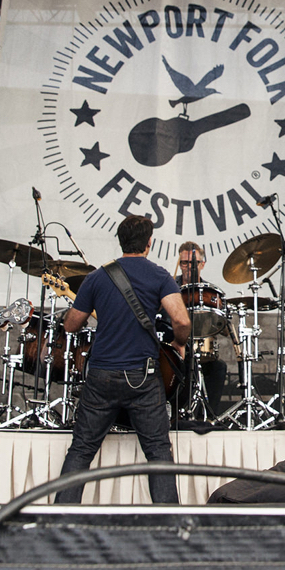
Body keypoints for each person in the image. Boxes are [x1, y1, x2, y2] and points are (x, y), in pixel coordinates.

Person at [54, 215, 190, 503]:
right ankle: (170, 524)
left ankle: (59, 518)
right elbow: (181, 319)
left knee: (81, 449)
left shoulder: (97, 277)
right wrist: (178, 342)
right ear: (149, 243)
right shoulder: (159, 275)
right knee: (157, 451)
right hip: (142, 376)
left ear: (120, 241)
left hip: (101, 374)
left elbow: (71, 325)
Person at [174, 241, 229, 418]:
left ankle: (209, 418)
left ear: (202, 264)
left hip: (201, 351)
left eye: (194, 263)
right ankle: (174, 415)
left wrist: (223, 322)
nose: (189, 268)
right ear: (179, 264)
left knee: (218, 367)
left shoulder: (208, 293)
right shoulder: (170, 288)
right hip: (175, 349)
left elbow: (224, 327)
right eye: (184, 263)